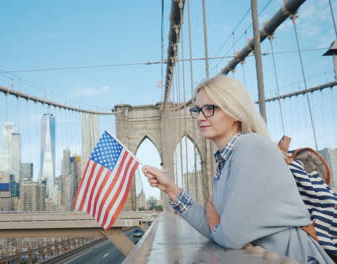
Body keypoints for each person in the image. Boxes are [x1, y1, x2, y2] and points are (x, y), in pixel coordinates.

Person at [142, 75, 333, 263]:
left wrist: (219, 226)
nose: (200, 117)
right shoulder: (225, 163)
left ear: (234, 111)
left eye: (209, 109)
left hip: (295, 257)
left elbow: (230, 237)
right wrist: (170, 189)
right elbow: (215, 230)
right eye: (197, 109)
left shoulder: (251, 146)